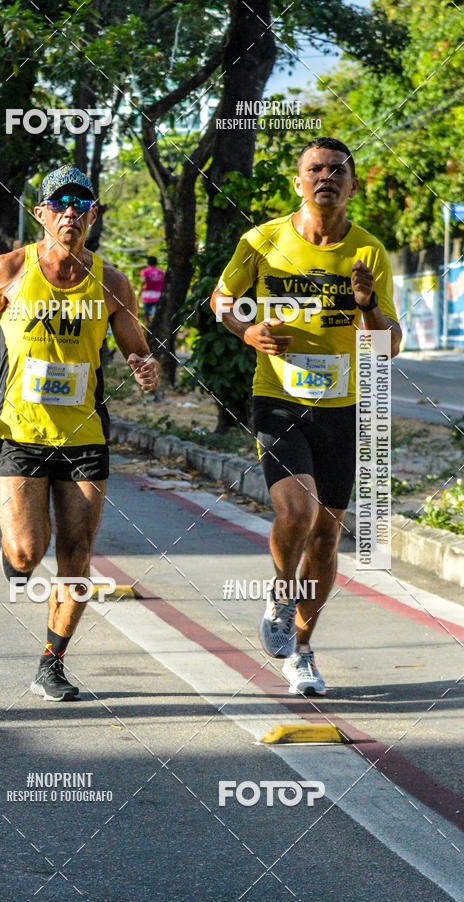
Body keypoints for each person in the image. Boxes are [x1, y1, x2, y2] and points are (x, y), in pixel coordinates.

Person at [0, 164, 159, 702]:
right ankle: (14, 557)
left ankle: (52, 663)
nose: (70, 211)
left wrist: (144, 366)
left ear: (93, 214)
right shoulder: (11, 270)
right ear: (42, 213)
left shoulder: (111, 282)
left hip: (85, 437)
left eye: (81, 203)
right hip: (21, 432)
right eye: (59, 203)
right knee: (27, 552)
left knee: (77, 552)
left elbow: (135, 345)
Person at [210, 137, 401, 697]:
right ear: (299, 183)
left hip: (344, 409)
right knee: (298, 511)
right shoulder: (262, 240)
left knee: (325, 540)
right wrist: (246, 329)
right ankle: (279, 589)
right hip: (278, 398)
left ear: (352, 185)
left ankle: (302, 650)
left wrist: (366, 305)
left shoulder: (369, 252)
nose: (326, 177)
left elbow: (387, 347)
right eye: (314, 169)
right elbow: (223, 300)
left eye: (337, 170)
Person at [140, 256, 165, 322]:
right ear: (156, 263)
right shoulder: (161, 272)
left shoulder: (145, 271)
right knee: (156, 314)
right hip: (158, 295)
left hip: (147, 295)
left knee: (146, 314)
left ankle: (147, 327)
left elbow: (143, 281)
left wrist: (140, 291)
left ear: (147, 263)